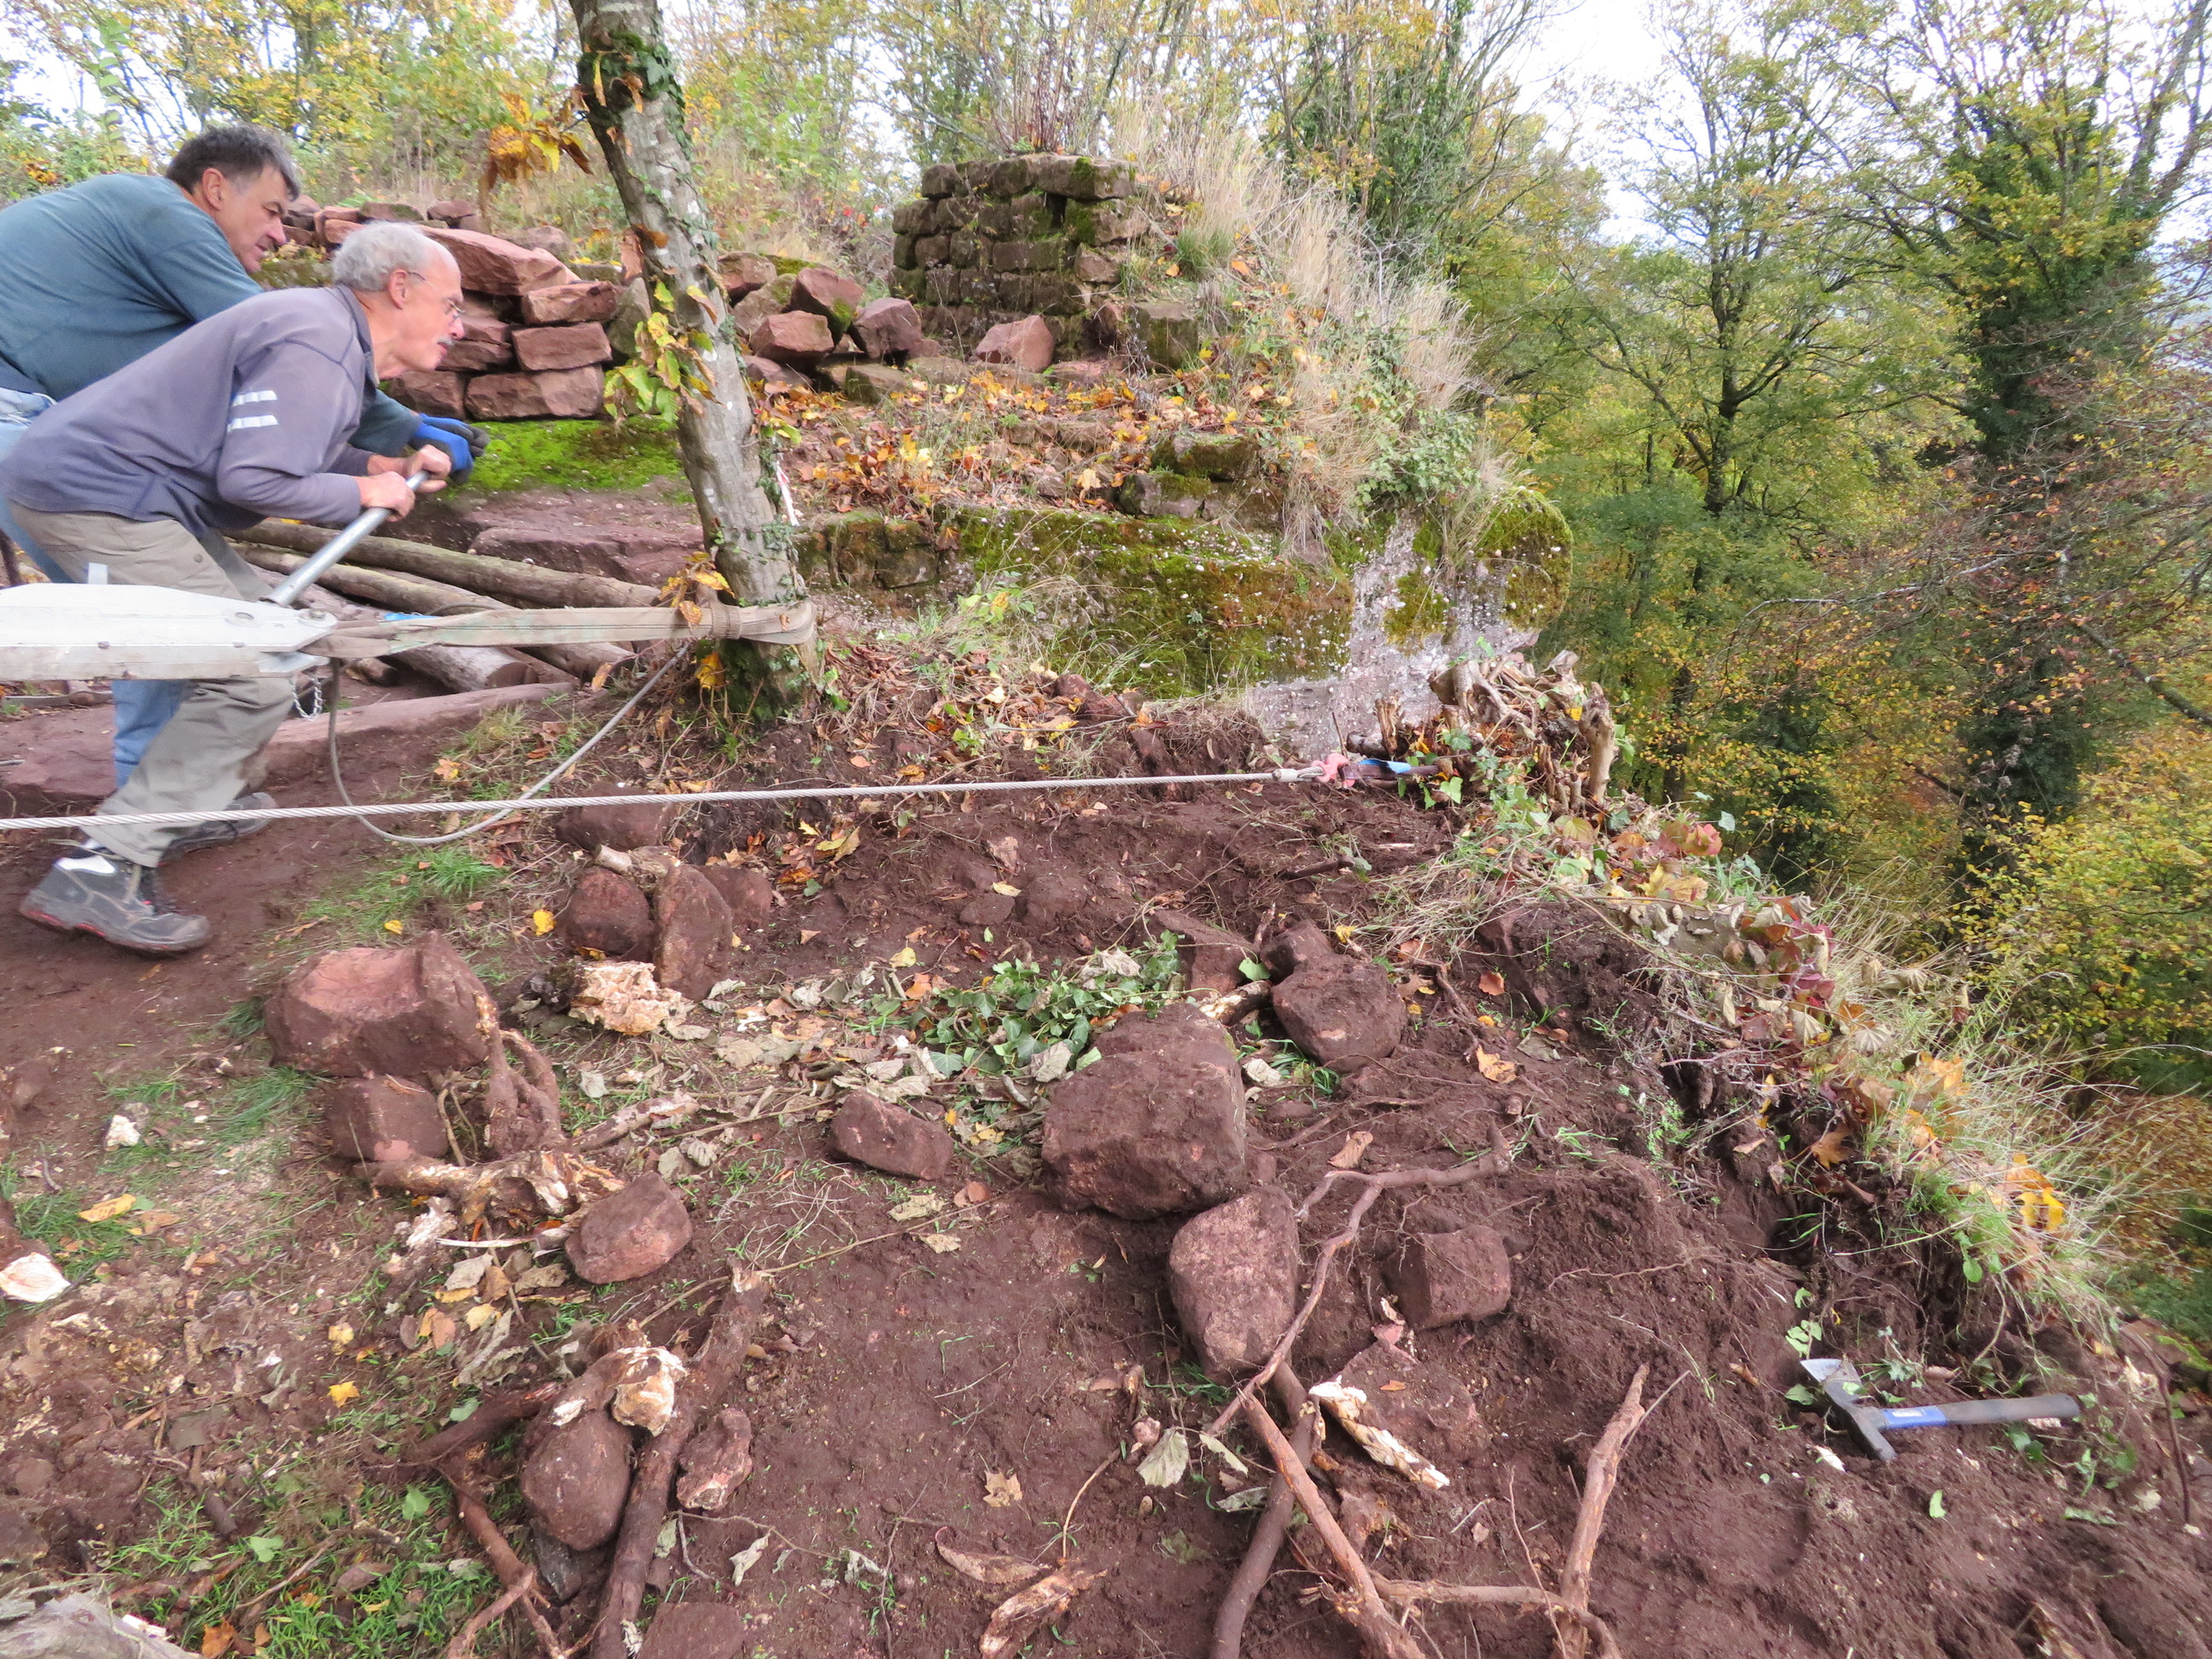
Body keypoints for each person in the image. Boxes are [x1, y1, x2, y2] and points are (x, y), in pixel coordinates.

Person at [0, 123, 486, 828]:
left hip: (58, 433)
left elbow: (254, 397)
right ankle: (144, 826)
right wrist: (397, 434)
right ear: (214, 188)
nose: (281, 234)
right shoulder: (164, 216)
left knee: (207, 615)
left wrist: (374, 457)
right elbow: (277, 347)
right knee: (171, 626)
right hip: (38, 441)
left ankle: (186, 797)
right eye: (271, 210)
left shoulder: (128, 243)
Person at [3, 221, 463, 955]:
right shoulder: (317, 339)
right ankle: (102, 867)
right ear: (399, 287)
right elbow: (254, 478)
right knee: (253, 670)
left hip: (123, 494)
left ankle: (185, 804)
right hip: (99, 499)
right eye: (452, 305)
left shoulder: (323, 330)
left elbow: (279, 442)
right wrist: (361, 492)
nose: (458, 327)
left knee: (263, 632)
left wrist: (375, 464)